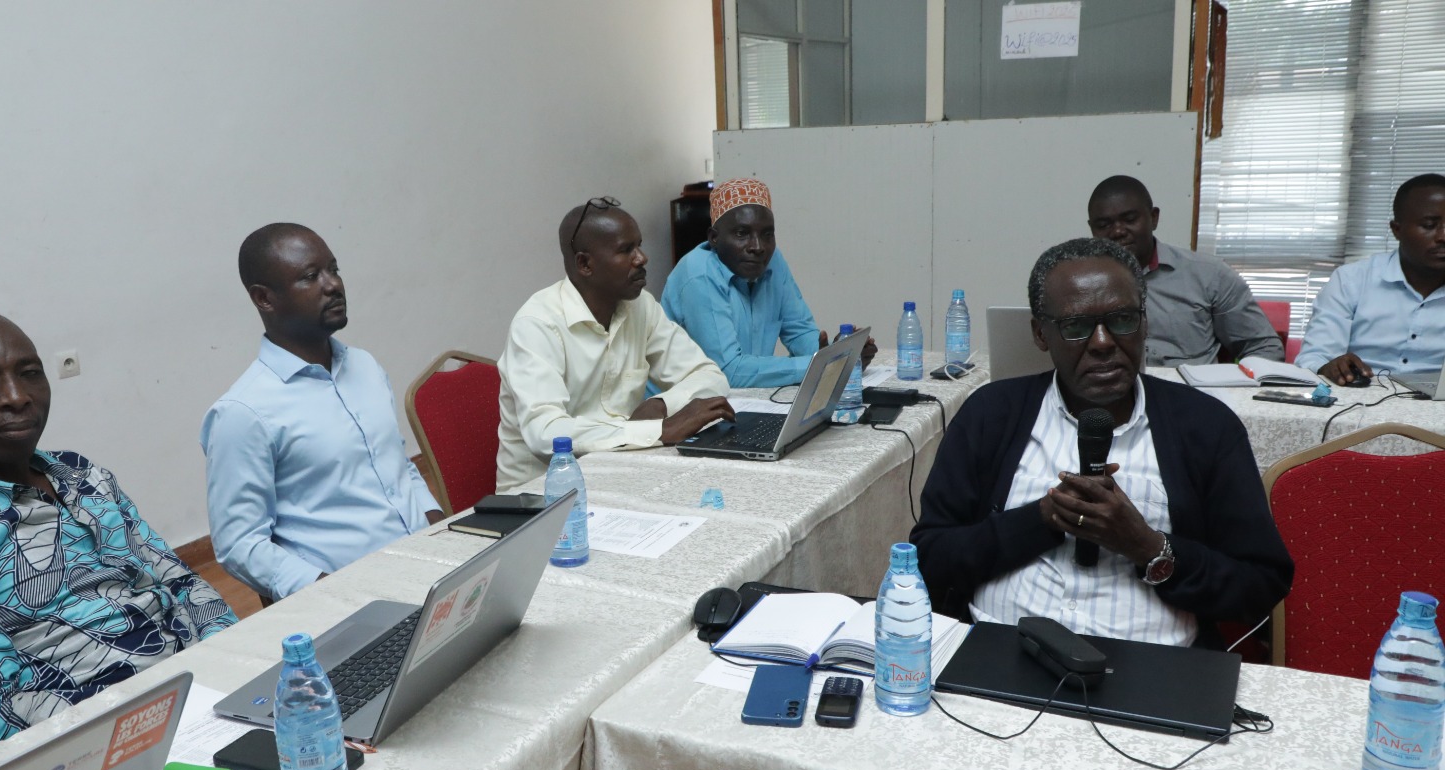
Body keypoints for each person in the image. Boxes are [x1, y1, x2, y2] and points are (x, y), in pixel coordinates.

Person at [0, 314, 237, 751]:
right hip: (105, 741)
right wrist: (148, 724)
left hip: (203, 687)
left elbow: (180, 582)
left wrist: (236, 664)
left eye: (30, 373)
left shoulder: (81, 474)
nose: (16, 396)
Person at [910, 238, 1292, 648]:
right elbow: (929, 558)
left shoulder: (1207, 427)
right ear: (1041, 334)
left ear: (1145, 322)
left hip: (1152, 663)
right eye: (1076, 327)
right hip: (1000, 648)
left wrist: (1148, 547)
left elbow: (1260, 585)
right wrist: (1042, 520)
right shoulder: (991, 413)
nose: (1103, 342)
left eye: (1122, 319)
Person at [202, 223, 443, 602]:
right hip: (354, 602)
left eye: (334, 269)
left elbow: (397, 467)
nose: (333, 285)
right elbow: (240, 545)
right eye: (310, 276)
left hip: (428, 572)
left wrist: (443, 536)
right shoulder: (243, 413)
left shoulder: (364, 366)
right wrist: (334, 594)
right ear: (264, 298)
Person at [496, 197, 735, 491]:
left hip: (618, 473)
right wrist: (656, 430)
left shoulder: (640, 306)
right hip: (540, 495)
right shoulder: (537, 324)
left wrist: (661, 405)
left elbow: (710, 377)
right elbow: (545, 433)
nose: (642, 258)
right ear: (585, 263)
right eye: (626, 250)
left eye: (639, 246)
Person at [662, 178, 876, 387]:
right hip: (678, 404)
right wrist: (821, 365)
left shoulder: (772, 261)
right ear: (714, 238)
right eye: (742, 233)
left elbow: (799, 331)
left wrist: (839, 354)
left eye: (767, 234)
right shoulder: (699, 273)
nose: (757, 246)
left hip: (741, 399)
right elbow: (729, 371)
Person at [1087, 175, 1283, 366]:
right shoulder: (1081, 284)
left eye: (1130, 219)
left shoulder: (1209, 274)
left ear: (1153, 218)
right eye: (1104, 225)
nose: (1118, 231)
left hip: (1191, 386)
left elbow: (1265, 348)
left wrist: (1230, 384)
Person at [1296, 173, 1445, 385]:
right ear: (1397, 230)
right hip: (1358, 397)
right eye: (1429, 225)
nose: (1442, 236)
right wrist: (1329, 366)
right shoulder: (1351, 280)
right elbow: (1314, 357)